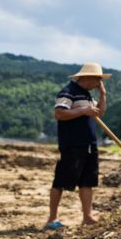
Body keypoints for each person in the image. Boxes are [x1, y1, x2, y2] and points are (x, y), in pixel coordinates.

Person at [44, 62, 109, 230]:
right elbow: (59, 113)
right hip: (72, 145)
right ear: (87, 78)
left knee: (87, 181)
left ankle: (87, 216)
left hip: (89, 144)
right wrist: (82, 111)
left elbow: (99, 113)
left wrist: (103, 94)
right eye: (98, 80)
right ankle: (52, 219)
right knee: (61, 181)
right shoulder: (68, 92)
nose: (98, 83)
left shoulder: (86, 95)